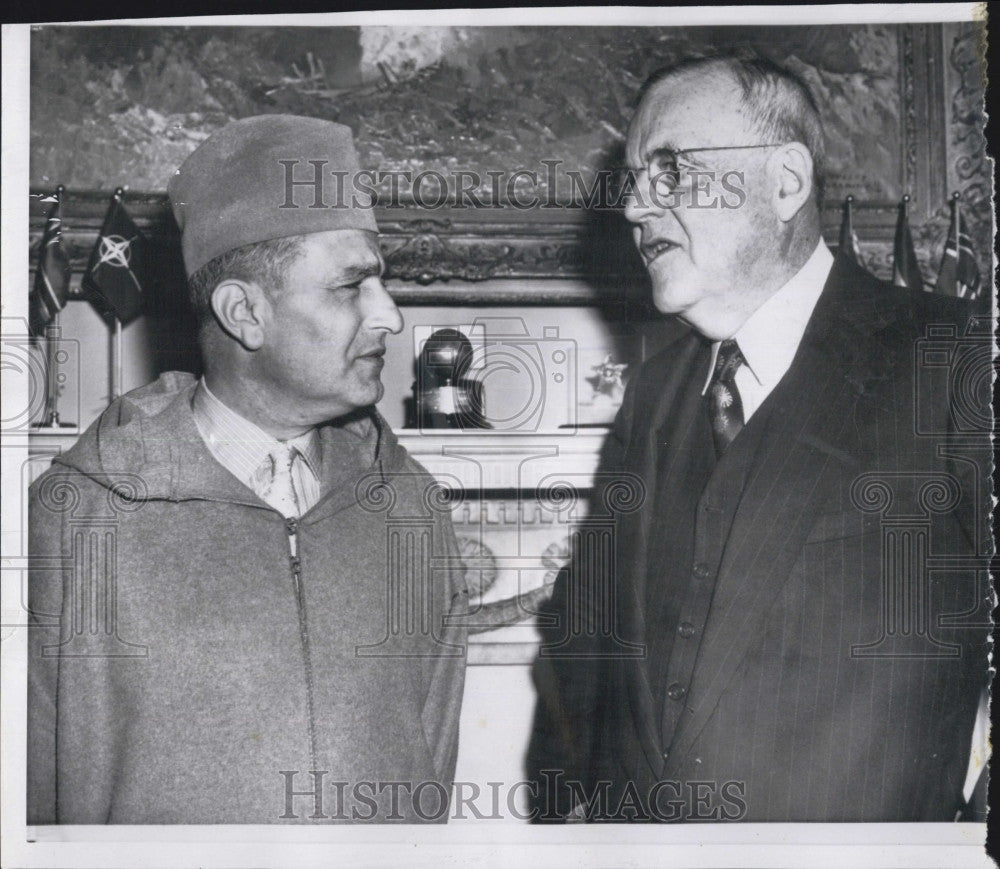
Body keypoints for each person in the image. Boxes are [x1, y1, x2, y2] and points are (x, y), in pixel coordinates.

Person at [530, 54, 990, 822]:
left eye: (670, 170)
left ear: (785, 181)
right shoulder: (653, 395)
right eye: (635, 179)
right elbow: (581, 642)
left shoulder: (954, 358)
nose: (637, 207)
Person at [27, 115, 469, 824]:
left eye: (380, 283)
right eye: (351, 285)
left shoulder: (410, 507)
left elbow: (430, 779)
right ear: (244, 314)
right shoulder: (78, 519)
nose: (388, 315)